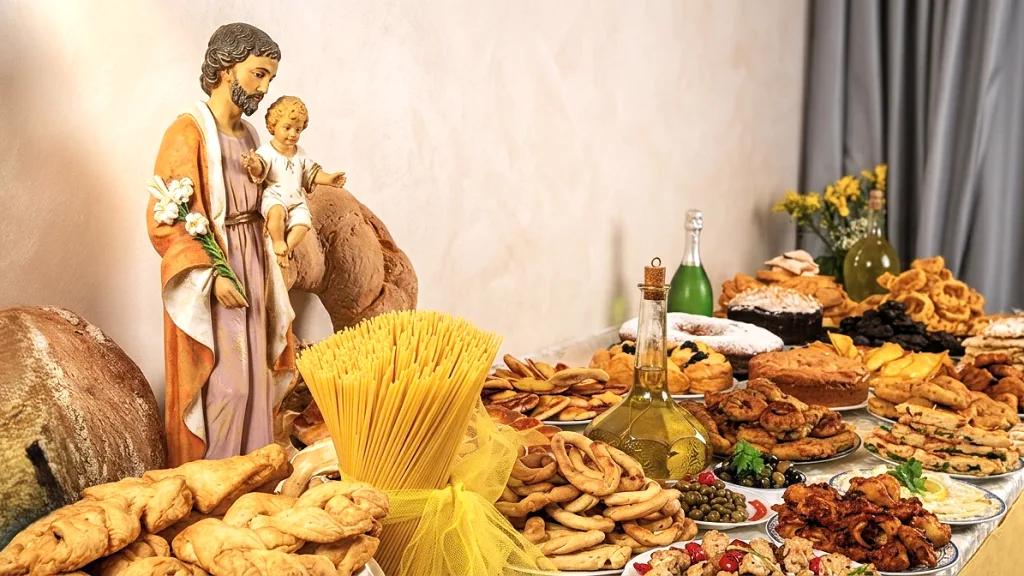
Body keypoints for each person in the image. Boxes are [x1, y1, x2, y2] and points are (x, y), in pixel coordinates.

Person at [146, 22, 296, 466]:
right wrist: (211, 276)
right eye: (259, 73)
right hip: (218, 269)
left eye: (271, 78)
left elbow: (272, 195)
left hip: (254, 263)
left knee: (258, 380)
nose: (265, 88)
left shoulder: (251, 137)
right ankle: (216, 486)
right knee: (228, 385)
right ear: (228, 69)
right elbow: (165, 219)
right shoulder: (187, 132)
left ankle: (253, 479)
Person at [242, 96, 347, 269]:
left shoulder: (300, 153)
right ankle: (278, 242)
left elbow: (311, 172)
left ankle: (287, 249)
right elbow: (260, 169)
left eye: (298, 129)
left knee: (303, 224)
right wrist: (253, 164)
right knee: (276, 214)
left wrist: (329, 179)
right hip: (275, 197)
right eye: (287, 128)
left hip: (297, 201)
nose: (293, 134)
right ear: (273, 126)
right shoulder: (267, 151)